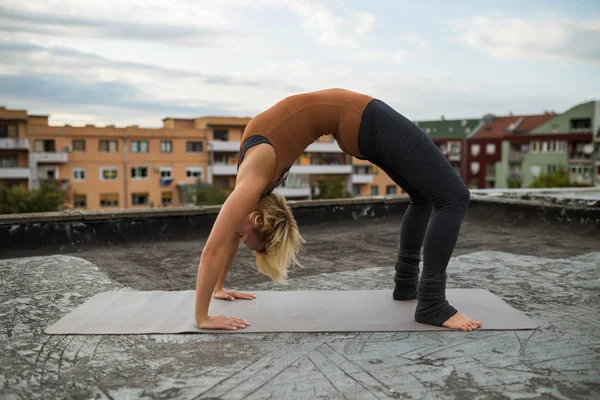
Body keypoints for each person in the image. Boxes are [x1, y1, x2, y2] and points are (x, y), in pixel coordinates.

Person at [194, 88, 483, 332]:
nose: (242, 242)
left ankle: (408, 287)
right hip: (360, 121)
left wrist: (204, 314)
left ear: (256, 218)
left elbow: (214, 247)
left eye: (249, 244)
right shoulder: (252, 187)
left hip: (360, 119)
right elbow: (227, 238)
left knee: (433, 197)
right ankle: (431, 303)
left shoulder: (252, 181)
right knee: (453, 197)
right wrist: (215, 292)